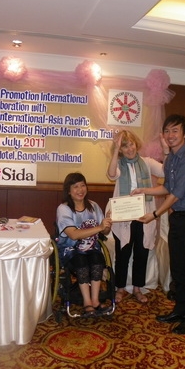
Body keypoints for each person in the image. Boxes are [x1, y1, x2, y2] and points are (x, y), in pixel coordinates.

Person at [134, 114, 185, 335]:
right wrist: (144, 190)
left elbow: (176, 194)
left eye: (175, 131)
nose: (170, 135)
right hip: (178, 219)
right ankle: (179, 310)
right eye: (167, 131)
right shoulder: (173, 159)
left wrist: (154, 214)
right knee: (178, 268)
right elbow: (167, 187)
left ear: (184, 134)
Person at [107, 130, 164, 304]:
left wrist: (166, 149)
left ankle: (138, 288)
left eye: (131, 144)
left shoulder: (146, 163)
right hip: (123, 215)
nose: (129, 148)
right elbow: (110, 174)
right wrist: (115, 151)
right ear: (121, 149)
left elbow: (165, 171)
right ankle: (120, 288)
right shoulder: (118, 164)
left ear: (136, 144)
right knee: (122, 253)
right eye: (125, 146)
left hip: (143, 215)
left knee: (142, 252)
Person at [56, 172, 113, 317]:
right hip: (70, 250)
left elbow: (105, 232)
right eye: (75, 187)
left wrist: (107, 223)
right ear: (68, 191)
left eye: (82, 185)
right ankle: (87, 302)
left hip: (92, 248)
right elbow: (74, 234)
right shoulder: (63, 209)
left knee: (97, 259)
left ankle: (95, 301)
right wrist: (100, 227)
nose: (80, 190)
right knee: (81, 261)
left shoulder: (93, 206)